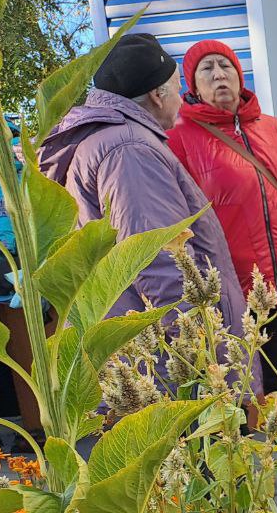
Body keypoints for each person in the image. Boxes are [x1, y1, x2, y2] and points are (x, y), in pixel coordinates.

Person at [38, 32, 248, 339]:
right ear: (157, 95)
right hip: (161, 351)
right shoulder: (130, 150)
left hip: (134, 337)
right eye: (178, 88)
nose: (181, 99)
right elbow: (160, 261)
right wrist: (199, 348)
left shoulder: (114, 140)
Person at [167, 39, 277, 393]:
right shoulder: (180, 138)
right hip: (234, 289)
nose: (219, 75)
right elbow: (178, 215)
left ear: (239, 74)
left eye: (226, 66)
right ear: (193, 85)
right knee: (242, 389)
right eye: (207, 69)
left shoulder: (275, 129)